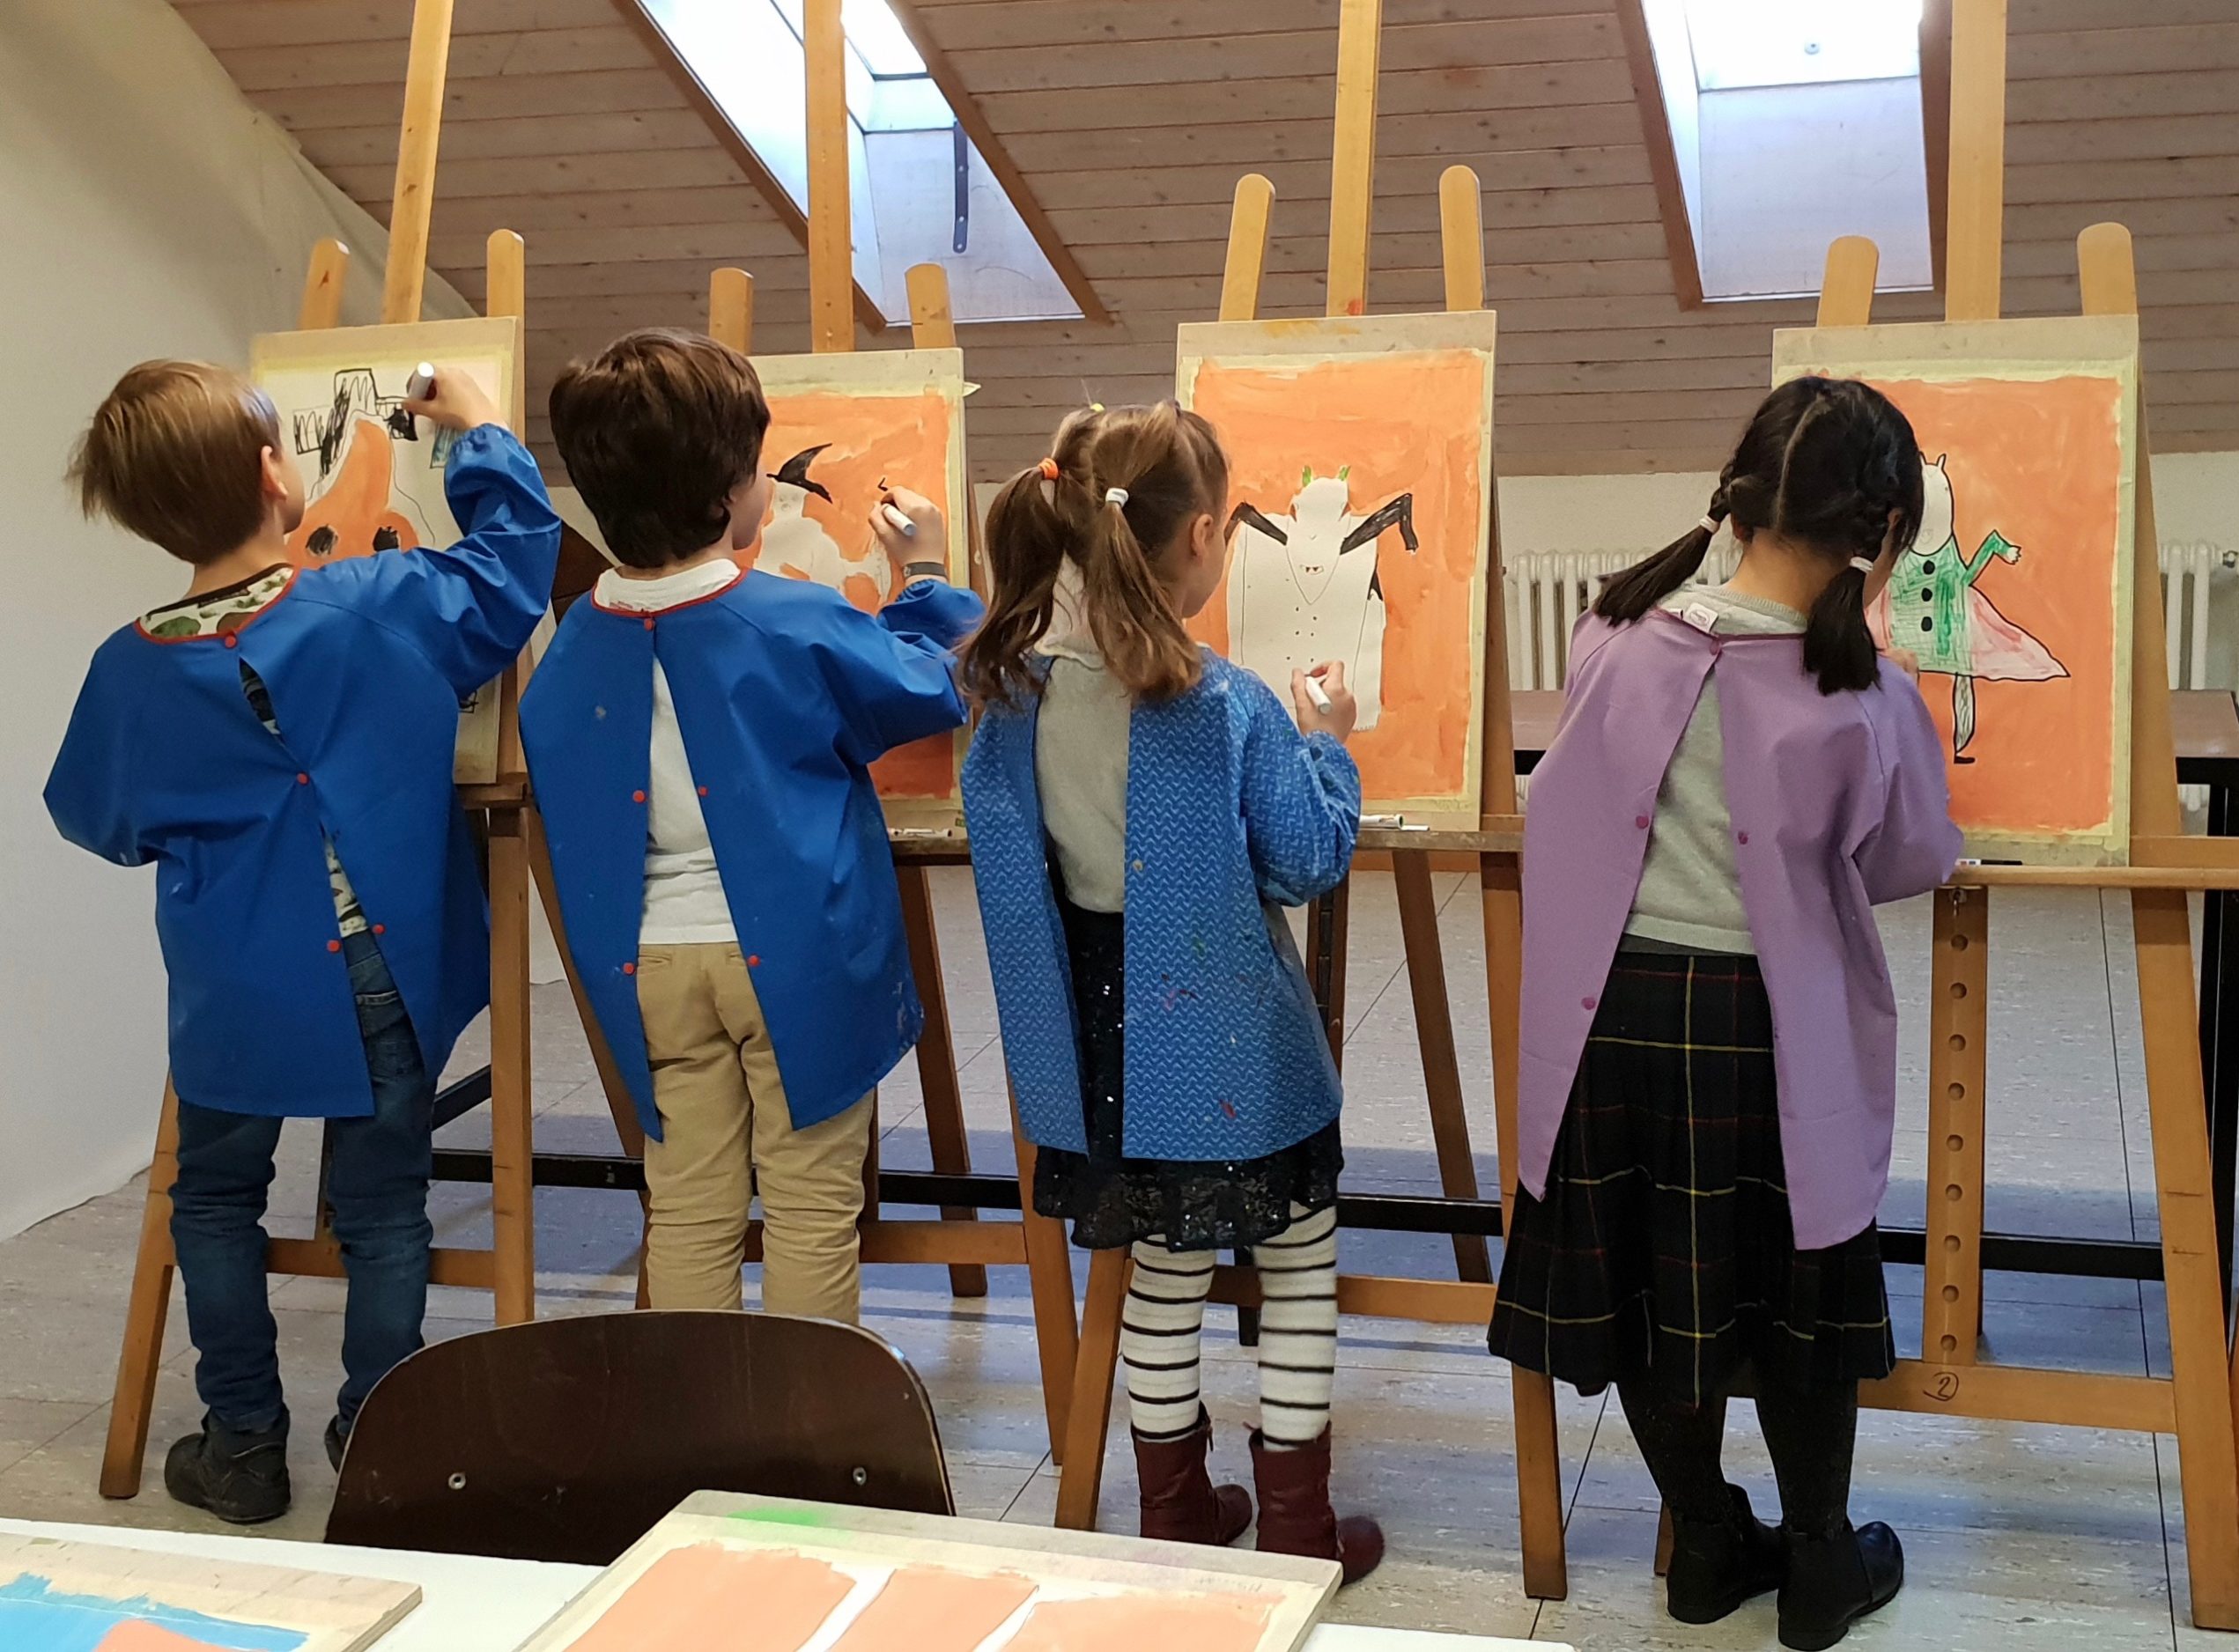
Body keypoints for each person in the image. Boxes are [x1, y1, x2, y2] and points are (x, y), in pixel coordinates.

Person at [1489, 376, 1962, 1650]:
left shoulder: (1611, 633)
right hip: (1766, 1035)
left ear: (1740, 497)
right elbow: (1911, 856)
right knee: (1801, 1299)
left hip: (1607, 1026)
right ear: (1877, 534)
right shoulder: (1861, 695)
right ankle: (1818, 1563)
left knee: (1649, 1292)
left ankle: (1702, 1542)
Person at [46, 359, 559, 1522]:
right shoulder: (374, 602)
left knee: (213, 1199)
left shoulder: (126, 669)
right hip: (382, 965)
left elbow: (99, 821)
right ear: (276, 473)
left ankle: (241, 1446)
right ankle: (379, 1440)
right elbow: (512, 566)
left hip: (235, 979)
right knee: (383, 1208)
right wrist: (479, 429)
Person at [959, 401, 1382, 1581]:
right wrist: (1330, 742)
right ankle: (1297, 1527)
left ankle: (1177, 1513)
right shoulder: (1226, 701)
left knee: (1160, 1274)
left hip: (1099, 1042)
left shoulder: (1011, 693)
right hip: (1231, 1045)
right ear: (1203, 536)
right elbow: (1305, 857)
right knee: (1297, 1265)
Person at [521, 329, 980, 1325]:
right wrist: (927, 573)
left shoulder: (570, 648)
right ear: (732, 497)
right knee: (812, 1209)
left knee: (688, 1209)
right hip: (796, 963)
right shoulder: (789, 617)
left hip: (650, 965)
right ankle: (803, 1411)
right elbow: (924, 684)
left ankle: (702, 1408)